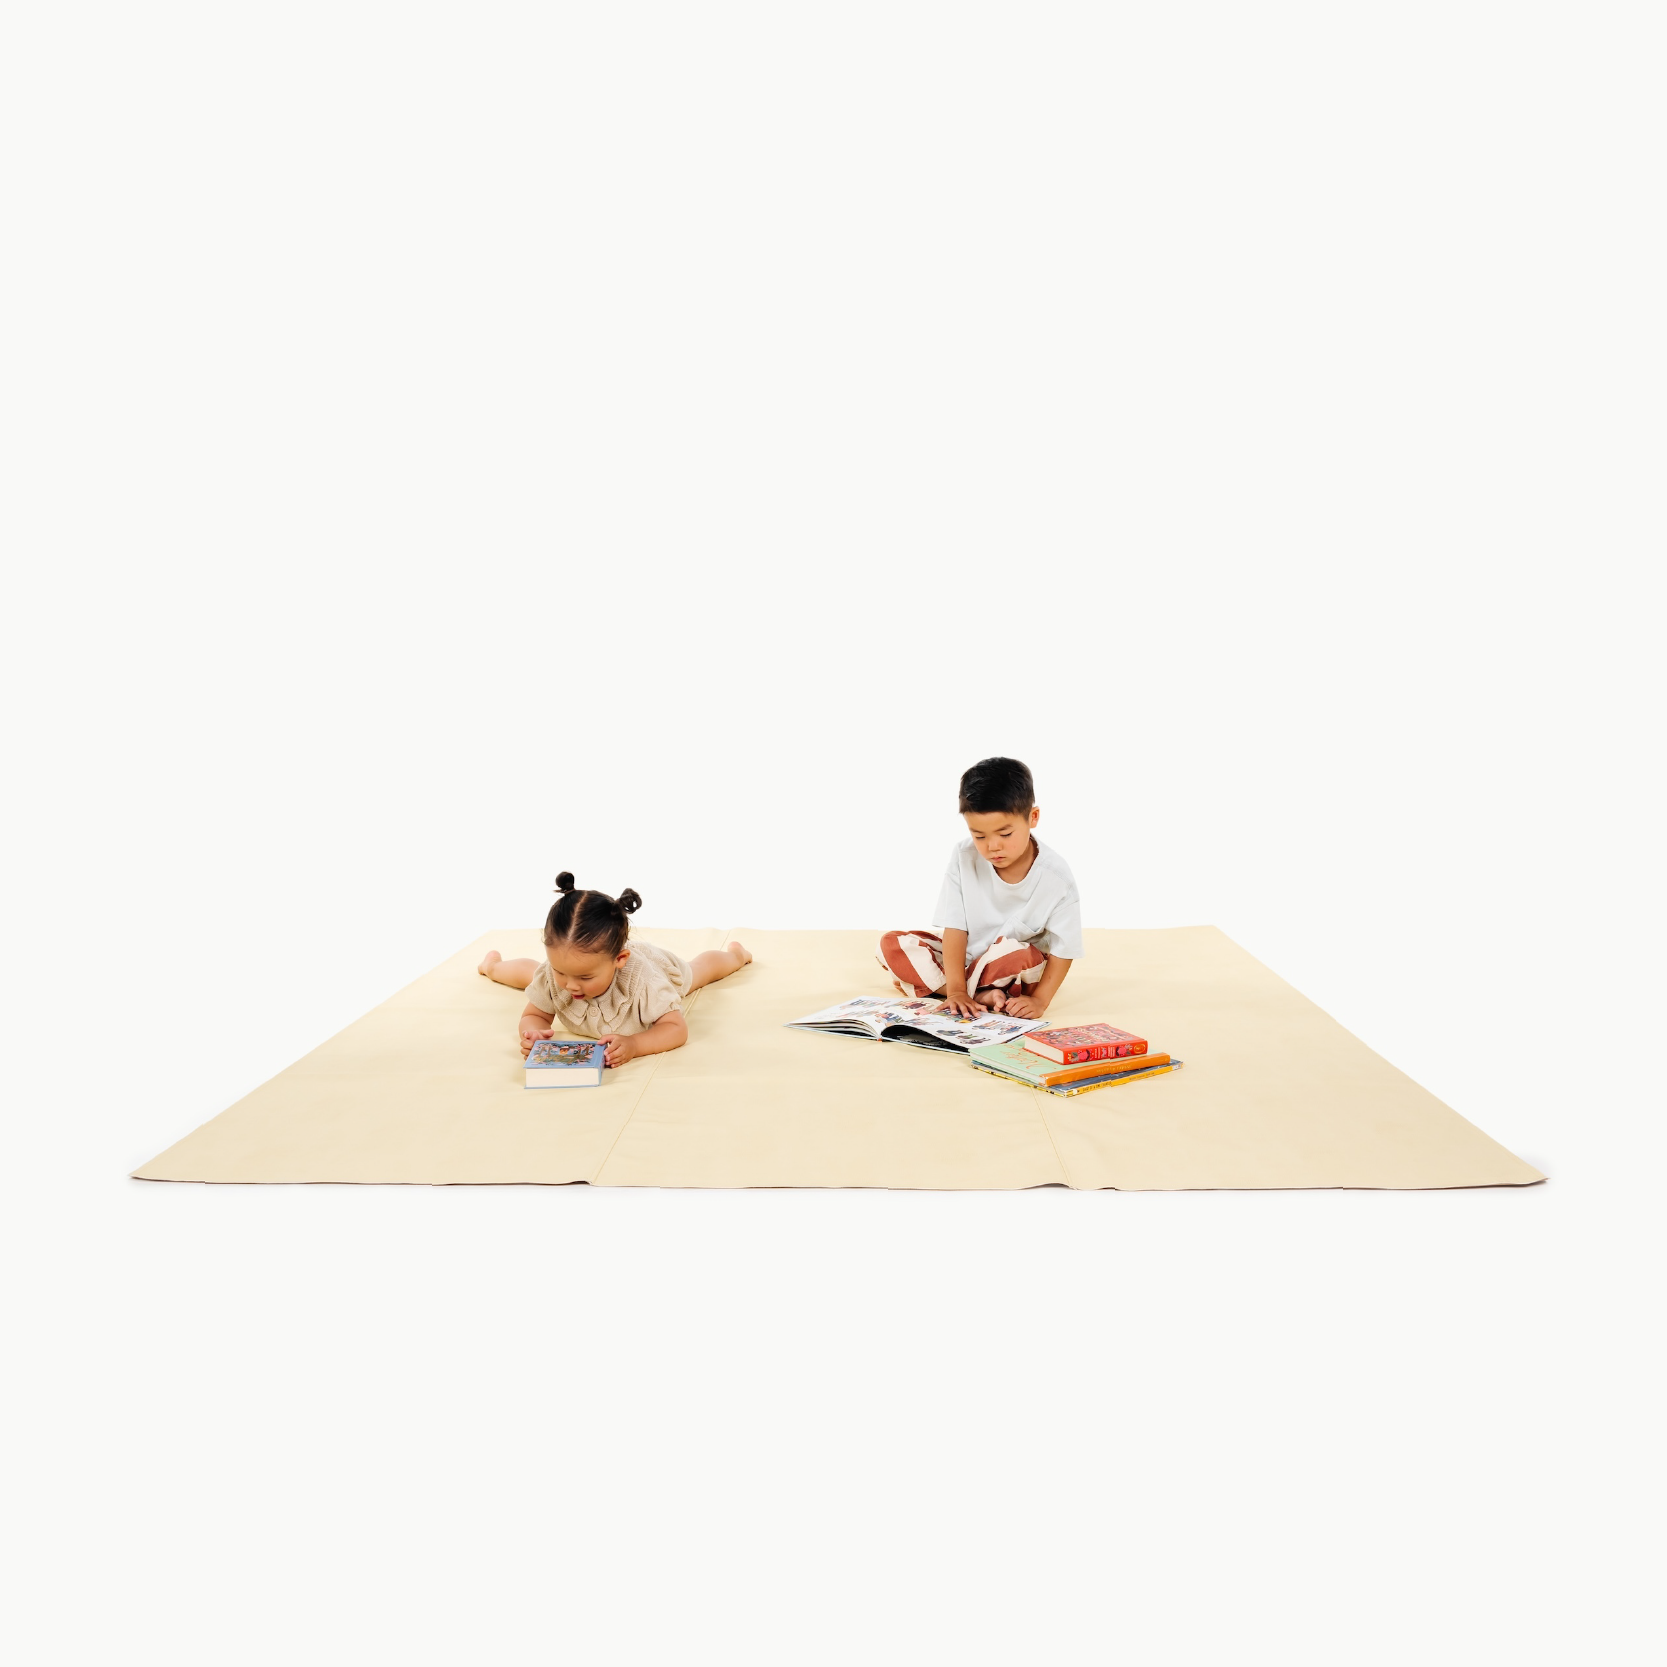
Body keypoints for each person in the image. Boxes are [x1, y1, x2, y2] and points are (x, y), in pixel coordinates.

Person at [878, 757, 1080, 1020]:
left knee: (1017, 953)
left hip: (1013, 968)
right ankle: (977, 993)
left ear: (1033, 817)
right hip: (968, 957)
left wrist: (1040, 1000)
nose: (992, 846)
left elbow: (1064, 948)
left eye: (1005, 834)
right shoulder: (964, 856)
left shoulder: (1056, 877)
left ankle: (941, 986)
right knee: (892, 944)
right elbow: (955, 927)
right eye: (979, 836)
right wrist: (956, 992)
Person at [479, 874, 751, 1067]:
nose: (570, 985)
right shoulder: (556, 976)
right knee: (533, 974)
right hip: (582, 962)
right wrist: (533, 1034)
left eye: (585, 977)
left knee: (698, 971)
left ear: (619, 959)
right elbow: (534, 1015)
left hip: (656, 967)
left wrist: (635, 1045)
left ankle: (736, 955)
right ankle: (492, 966)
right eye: (560, 970)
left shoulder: (647, 982)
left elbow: (676, 1029)